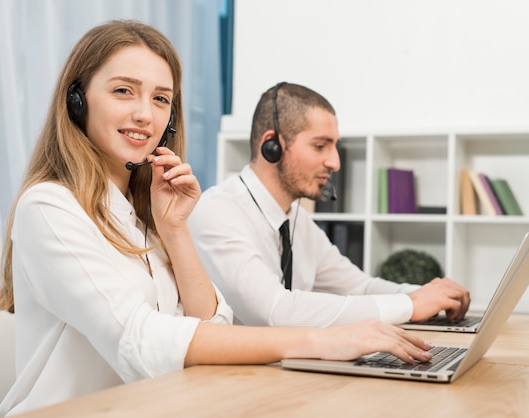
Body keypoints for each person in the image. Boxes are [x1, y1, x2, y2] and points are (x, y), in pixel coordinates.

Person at [0, 21, 434, 416]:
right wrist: (319, 341)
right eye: (124, 90)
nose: (145, 113)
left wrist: (175, 229)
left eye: (161, 99)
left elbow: (212, 326)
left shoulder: (144, 214)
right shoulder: (49, 207)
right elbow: (140, 341)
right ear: (77, 100)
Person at [189, 82, 471, 327]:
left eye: (334, 146)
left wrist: (429, 294)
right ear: (271, 146)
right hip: (229, 383)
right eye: (320, 146)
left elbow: (361, 288)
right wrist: (410, 305)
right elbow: (275, 312)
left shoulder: (298, 223)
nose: (334, 162)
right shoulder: (218, 212)